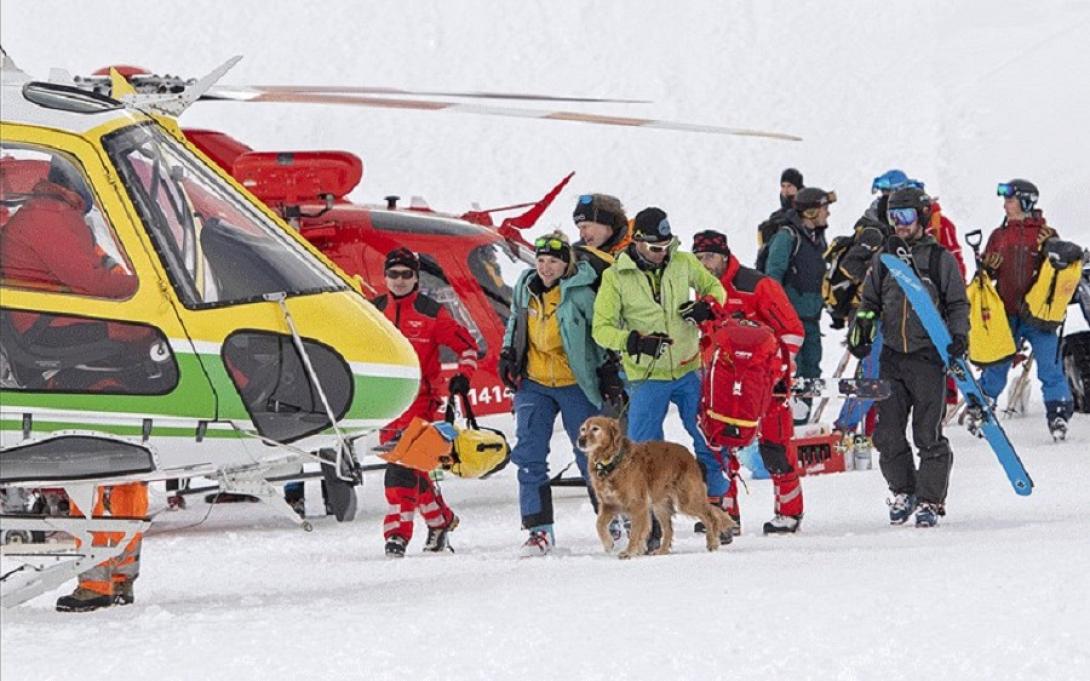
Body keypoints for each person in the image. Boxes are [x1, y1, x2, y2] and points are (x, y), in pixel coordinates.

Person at [592, 208, 728, 525]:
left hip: (687, 368)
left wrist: (705, 307)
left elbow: (715, 288)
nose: (662, 253)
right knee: (641, 453)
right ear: (637, 241)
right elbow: (601, 329)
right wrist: (634, 342)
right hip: (646, 377)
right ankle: (648, 520)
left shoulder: (682, 262)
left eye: (666, 245)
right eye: (655, 247)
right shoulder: (615, 277)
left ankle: (716, 505)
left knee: (707, 435)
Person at [850, 187, 969, 528]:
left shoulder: (938, 258)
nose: (899, 225)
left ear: (921, 217)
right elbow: (869, 302)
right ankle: (905, 491)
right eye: (893, 218)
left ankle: (931, 499)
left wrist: (959, 336)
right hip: (892, 356)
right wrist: (862, 329)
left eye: (906, 217)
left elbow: (958, 303)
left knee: (927, 434)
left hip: (927, 358)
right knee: (886, 433)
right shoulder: (883, 260)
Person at [497, 231, 614, 556]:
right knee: (529, 457)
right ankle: (538, 530)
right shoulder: (525, 286)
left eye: (553, 261)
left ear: (566, 264)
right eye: (541, 260)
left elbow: (600, 332)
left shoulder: (580, 294)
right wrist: (508, 353)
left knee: (591, 457)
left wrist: (607, 369)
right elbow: (514, 322)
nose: (546, 267)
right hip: (534, 383)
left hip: (575, 383)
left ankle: (613, 523)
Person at [693, 230, 807, 534]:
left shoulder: (757, 285)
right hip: (723, 384)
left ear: (725, 255)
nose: (704, 264)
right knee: (719, 443)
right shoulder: (701, 290)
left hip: (764, 383)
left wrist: (777, 372)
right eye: (699, 258)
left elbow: (792, 331)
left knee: (775, 446)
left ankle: (789, 512)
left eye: (710, 257)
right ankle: (725, 514)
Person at [371, 247, 479, 557]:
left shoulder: (432, 311)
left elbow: (469, 348)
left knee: (400, 471)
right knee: (414, 475)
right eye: (394, 274)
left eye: (406, 274)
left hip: (424, 406)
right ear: (386, 277)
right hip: (387, 406)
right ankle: (441, 520)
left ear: (416, 277)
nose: (400, 280)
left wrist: (463, 376)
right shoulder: (373, 310)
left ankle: (396, 536)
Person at [977, 179, 1074, 437]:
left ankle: (1058, 413)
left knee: (1049, 367)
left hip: (1038, 317)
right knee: (996, 364)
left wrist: (1052, 247)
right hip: (1006, 312)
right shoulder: (998, 236)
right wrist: (987, 266)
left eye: (1010, 199)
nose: (1005, 205)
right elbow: (988, 274)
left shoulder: (1046, 234)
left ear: (1026, 201)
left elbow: (1055, 273)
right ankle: (982, 407)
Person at [761, 186, 834, 422]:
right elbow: (773, 278)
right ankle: (786, 427)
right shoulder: (787, 237)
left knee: (811, 373)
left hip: (811, 320)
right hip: (789, 325)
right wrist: (779, 317)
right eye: (824, 209)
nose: (827, 214)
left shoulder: (818, 239)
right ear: (811, 212)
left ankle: (801, 424)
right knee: (791, 375)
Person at [571, 193, 632, 280]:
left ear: (606, 221)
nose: (582, 234)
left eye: (585, 227)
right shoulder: (578, 254)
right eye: (579, 228)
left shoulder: (640, 247)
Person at [756, 168, 804, 252]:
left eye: (789, 186)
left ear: (797, 187)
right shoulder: (776, 216)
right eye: (783, 186)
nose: (785, 190)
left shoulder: (808, 207)